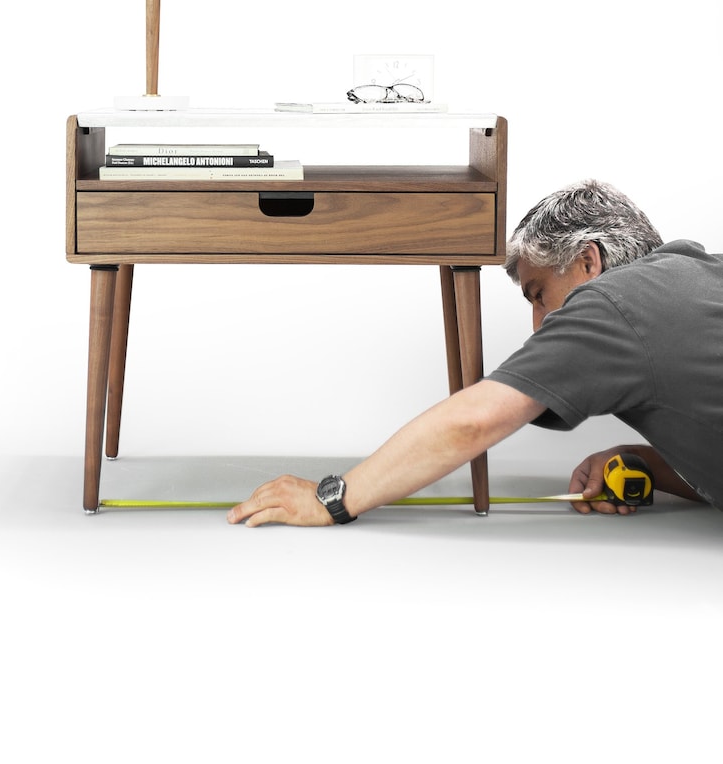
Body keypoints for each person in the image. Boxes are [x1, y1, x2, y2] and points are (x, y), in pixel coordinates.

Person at [227, 179, 721, 527]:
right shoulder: (698, 276)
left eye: (538, 293)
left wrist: (330, 500)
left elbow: (474, 421)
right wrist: (647, 463)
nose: (538, 323)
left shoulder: (616, 303)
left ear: (588, 261)